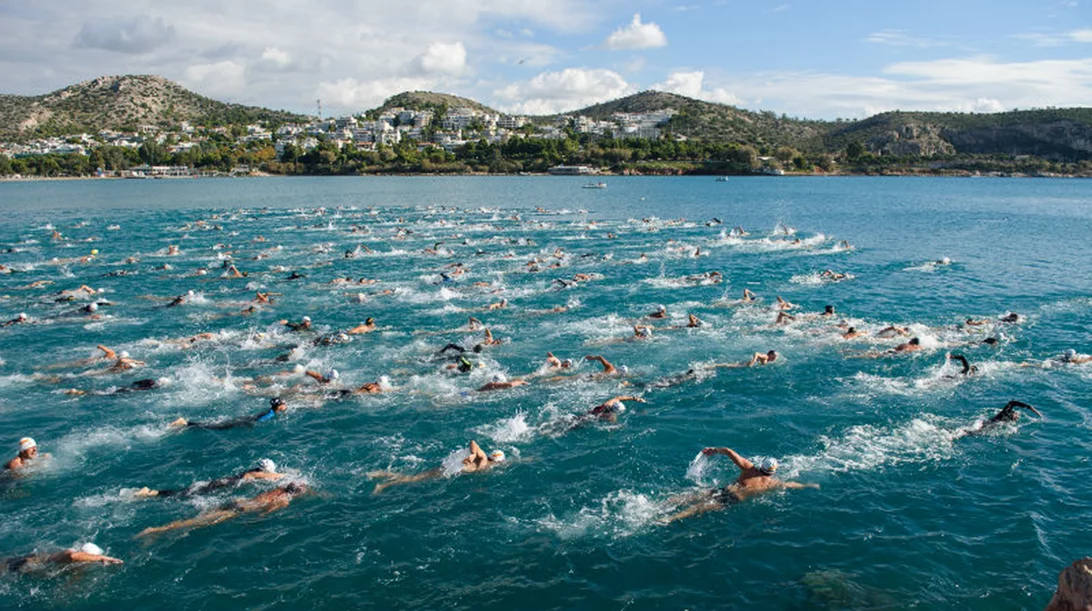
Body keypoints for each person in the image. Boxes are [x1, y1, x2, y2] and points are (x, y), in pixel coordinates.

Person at [660, 447, 819, 524]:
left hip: (725, 490)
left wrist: (713, 450)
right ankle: (670, 518)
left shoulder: (749, 469)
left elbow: (729, 451)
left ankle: (662, 504)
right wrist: (809, 485)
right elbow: (791, 484)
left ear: (761, 465)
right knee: (698, 508)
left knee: (691, 497)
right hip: (734, 499)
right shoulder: (773, 483)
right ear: (773, 471)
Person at [137, 482, 309, 538]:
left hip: (237, 502)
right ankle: (155, 530)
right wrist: (252, 523)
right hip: (239, 510)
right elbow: (264, 513)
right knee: (196, 523)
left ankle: (160, 529)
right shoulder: (283, 501)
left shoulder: (278, 489)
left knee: (201, 515)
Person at [368, 440, 505, 494]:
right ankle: (383, 486)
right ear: (498, 461)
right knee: (413, 479)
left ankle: (381, 473)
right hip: (447, 470)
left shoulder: (485, 460)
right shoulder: (483, 461)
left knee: (414, 476)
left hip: (449, 467)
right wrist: (472, 455)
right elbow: (473, 442)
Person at [134, 459, 284, 498]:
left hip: (220, 482)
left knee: (185, 492)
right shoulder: (254, 474)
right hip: (220, 484)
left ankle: (153, 492)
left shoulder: (254, 470)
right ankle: (151, 493)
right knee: (183, 495)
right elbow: (253, 476)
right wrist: (282, 476)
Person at [169, 397, 288, 430]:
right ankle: (186, 423)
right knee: (214, 427)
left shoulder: (270, 411)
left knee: (216, 425)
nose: (285, 405)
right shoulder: (270, 415)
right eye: (284, 403)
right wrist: (250, 426)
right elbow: (258, 421)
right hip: (243, 421)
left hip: (243, 418)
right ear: (279, 406)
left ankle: (187, 424)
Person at [6, 543, 122, 573]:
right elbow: (72, 555)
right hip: (21, 563)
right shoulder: (72, 555)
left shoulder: (78, 567)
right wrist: (101, 558)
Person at [959, 401, 1043, 437]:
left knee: (973, 432)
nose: (1017, 417)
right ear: (1012, 413)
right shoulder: (1005, 413)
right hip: (988, 424)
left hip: (986, 424)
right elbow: (1012, 402)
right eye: (1017, 415)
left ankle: (959, 433)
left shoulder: (1005, 420)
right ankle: (958, 434)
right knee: (972, 432)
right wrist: (1030, 408)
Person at [581, 395, 646, 424]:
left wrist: (634, 398)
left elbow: (618, 398)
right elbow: (613, 425)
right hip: (590, 419)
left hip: (589, 413)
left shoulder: (607, 404)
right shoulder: (612, 416)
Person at [711, 351, 779, 368]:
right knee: (729, 366)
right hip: (745, 365)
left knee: (730, 365)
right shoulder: (766, 357)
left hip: (746, 364)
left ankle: (714, 366)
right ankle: (712, 366)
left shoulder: (768, 359)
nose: (775, 358)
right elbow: (757, 353)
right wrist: (754, 360)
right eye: (774, 356)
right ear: (770, 354)